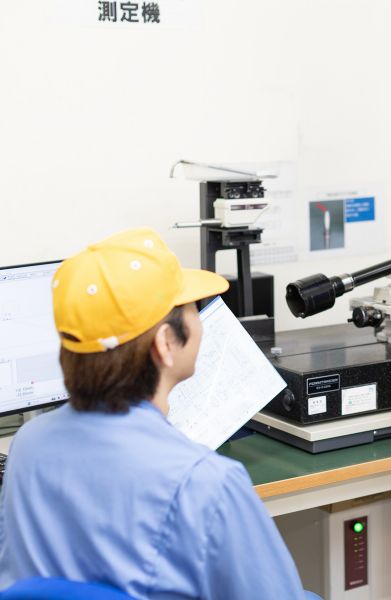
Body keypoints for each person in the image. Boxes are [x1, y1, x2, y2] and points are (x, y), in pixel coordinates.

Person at [0, 228, 309, 599]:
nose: (199, 320)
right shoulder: (207, 483)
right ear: (165, 343)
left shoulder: (27, 445)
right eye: (193, 308)